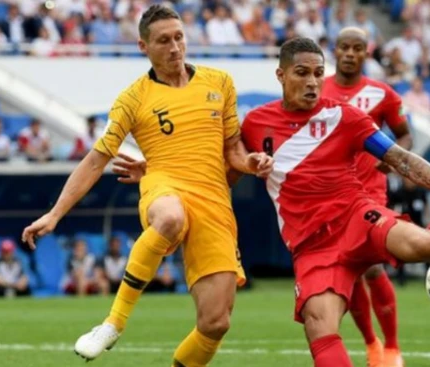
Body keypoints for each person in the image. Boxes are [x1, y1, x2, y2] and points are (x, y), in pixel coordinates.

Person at [112, 37, 430, 367]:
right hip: (311, 247)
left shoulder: (345, 116)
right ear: (281, 75)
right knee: (319, 328)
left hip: (355, 215)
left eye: (317, 74)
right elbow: (221, 170)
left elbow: (400, 157)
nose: (312, 82)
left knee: (419, 246)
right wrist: (156, 171)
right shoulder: (255, 124)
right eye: (302, 73)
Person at [21, 4, 273, 365]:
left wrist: (250, 162)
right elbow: (96, 159)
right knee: (169, 218)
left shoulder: (219, 82)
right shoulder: (133, 98)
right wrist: (55, 215)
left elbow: (232, 149)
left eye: (179, 37)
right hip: (163, 183)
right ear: (144, 47)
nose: (174, 47)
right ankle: (113, 323)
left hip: (214, 199)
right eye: (163, 41)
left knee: (215, 323)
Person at [321, 27, 412, 367]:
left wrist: (392, 159)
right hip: (330, 193)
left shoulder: (382, 94)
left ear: (365, 53)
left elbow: (404, 136)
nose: (349, 53)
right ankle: (371, 344)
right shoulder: (320, 89)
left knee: (371, 266)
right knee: (351, 269)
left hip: (369, 191)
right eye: (343, 47)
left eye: (357, 48)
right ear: (336, 49)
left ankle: (391, 347)